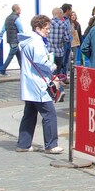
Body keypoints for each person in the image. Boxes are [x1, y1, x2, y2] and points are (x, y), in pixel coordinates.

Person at [15, 15, 63, 154]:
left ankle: (23, 144)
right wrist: (52, 66)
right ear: (38, 28)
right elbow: (41, 61)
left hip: (30, 84)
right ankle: (51, 145)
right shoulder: (36, 42)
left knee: (29, 114)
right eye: (46, 28)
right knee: (49, 114)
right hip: (38, 84)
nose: (48, 31)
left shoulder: (28, 40)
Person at [48, 5, 73, 81]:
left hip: (49, 51)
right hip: (59, 52)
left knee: (50, 71)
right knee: (57, 71)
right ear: (59, 14)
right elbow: (67, 38)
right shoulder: (63, 24)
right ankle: (58, 88)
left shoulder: (48, 23)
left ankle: (53, 86)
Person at [0, 4, 23, 75]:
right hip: (15, 40)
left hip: (10, 40)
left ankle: (23, 70)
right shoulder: (16, 18)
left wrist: (0, 37)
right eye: (20, 9)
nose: (20, 10)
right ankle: (3, 69)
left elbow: (3, 29)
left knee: (19, 55)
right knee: (10, 56)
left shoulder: (7, 18)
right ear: (17, 10)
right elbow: (20, 30)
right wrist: (23, 38)